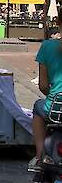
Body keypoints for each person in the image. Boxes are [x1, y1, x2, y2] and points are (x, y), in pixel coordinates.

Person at [32, 29, 62, 172]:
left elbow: (43, 85)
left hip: (54, 109)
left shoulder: (47, 46)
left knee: (38, 106)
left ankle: (39, 156)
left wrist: (52, 94)